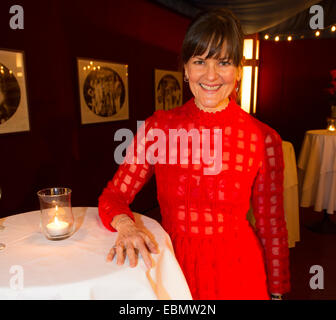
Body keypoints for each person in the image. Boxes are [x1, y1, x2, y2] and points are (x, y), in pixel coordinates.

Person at [98, 8, 290, 300]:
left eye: (223, 62)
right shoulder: (158, 128)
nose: (211, 75)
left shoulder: (263, 138)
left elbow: (272, 225)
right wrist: (125, 226)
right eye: (200, 61)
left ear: (238, 70)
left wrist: (277, 291)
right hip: (174, 267)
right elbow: (113, 196)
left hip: (239, 273)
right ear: (186, 69)